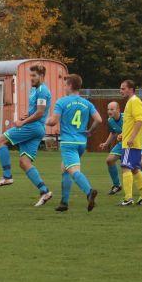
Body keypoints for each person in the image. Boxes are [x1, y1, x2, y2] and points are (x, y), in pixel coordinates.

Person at [0, 63, 53, 207]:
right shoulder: (34, 89)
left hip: (33, 127)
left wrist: (23, 122)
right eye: (30, 75)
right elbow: (35, 111)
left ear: (42, 76)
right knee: (24, 163)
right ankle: (44, 191)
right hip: (35, 128)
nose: (31, 78)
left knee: (0, 140)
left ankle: (7, 176)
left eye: (34, 75)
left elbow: (40, 113)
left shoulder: (43, 90)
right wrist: (27, 116)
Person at [47, 74, 100, 213]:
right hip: (82, 142)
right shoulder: (87, 103)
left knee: (73, 170)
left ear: (70, 85)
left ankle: (89, 192)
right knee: (65, 169)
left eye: (65, 85)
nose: (64, 88)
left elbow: (53, 121)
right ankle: (64, 203)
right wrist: (90, 131)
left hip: (68, 142)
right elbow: (99, 120)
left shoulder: (62, 102)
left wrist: (45, 120)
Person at [99, 101, 142, 195]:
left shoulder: (126, 117)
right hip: (124, 143)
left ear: (118, 110)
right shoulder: (110, 120)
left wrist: (123, 134)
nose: (109, 111)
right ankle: (117, 185)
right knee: (109, 160)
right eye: (108, 109)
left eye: (112, 109)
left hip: (138, 140)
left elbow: (138, 126)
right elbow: (113, 133)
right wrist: (106, 143)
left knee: (140, 162)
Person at [117, 80, 142, 206]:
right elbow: (131, 123)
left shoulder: (134, 101)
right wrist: (123, 134)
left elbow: (139, 121)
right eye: (120, 89)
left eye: (123, 88)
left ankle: (128, 198)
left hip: (131, 143)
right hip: (131, 142)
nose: (121, 91)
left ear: (131, 89)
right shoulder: (131, 102)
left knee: (125, 167)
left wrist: (131, 138)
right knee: (135, 169)